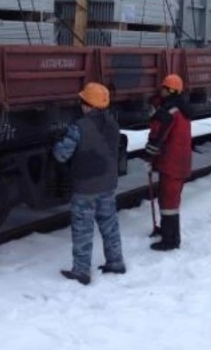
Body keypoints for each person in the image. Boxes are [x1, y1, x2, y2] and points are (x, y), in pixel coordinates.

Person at [52, 82, 125, 285]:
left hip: (85, 186)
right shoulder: (113, 124)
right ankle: (116, 262)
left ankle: (82, 271)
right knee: (109, 224)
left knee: (83, 229)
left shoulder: (79, 127)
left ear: (87, 105)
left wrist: (57, 143)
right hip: (108, 184)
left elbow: (61, 155)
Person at [144, 74, 193, 251]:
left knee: (169, 202)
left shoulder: (168, 113)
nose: (160, 90)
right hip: (181, 162)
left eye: (163, 88)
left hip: (171, 163)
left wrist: (149, 158)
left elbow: (158, 138)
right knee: (171, 199)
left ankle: (171, 240)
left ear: (169, 90)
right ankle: (167, 231)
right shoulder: (182, 109)